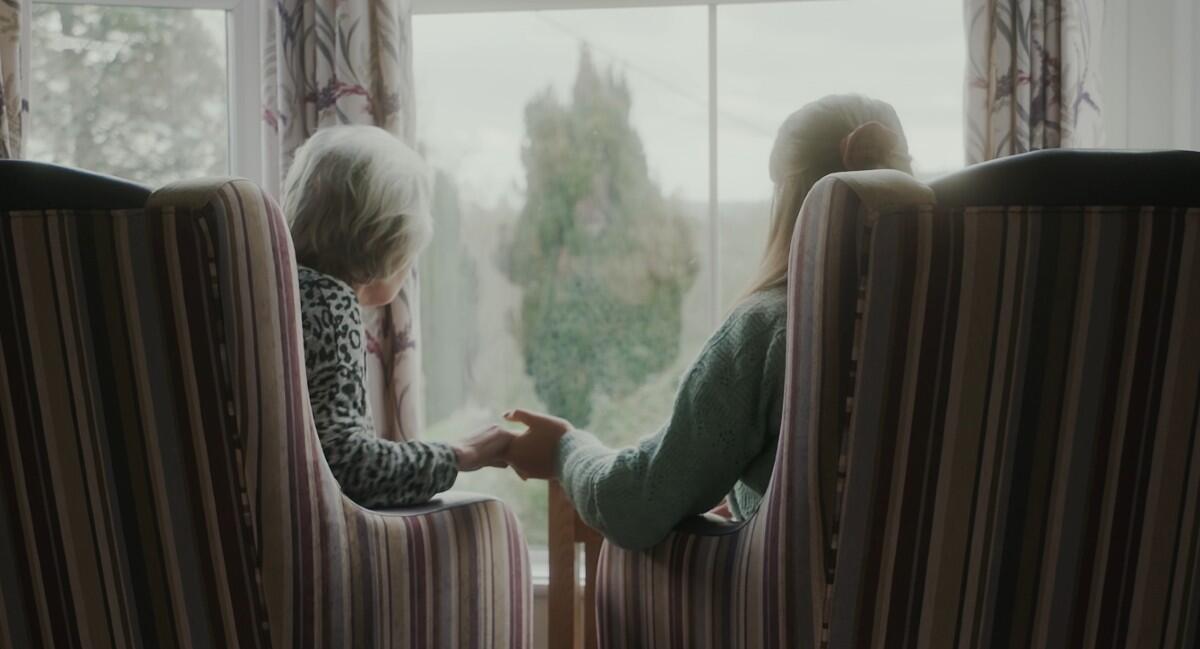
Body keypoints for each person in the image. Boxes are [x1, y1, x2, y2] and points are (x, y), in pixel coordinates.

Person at [499, 94, 914, 550]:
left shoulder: (772, 329)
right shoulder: (946, 318)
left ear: (791, 198)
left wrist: (564, 449)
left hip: (793, 619)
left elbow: (636, 502)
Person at [284, 125, 511, 508]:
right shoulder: (329, 306)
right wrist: (458, 455)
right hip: (300, 533)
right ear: (385, 247)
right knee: (489, 515)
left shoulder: (277, 286)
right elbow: (351, 469)